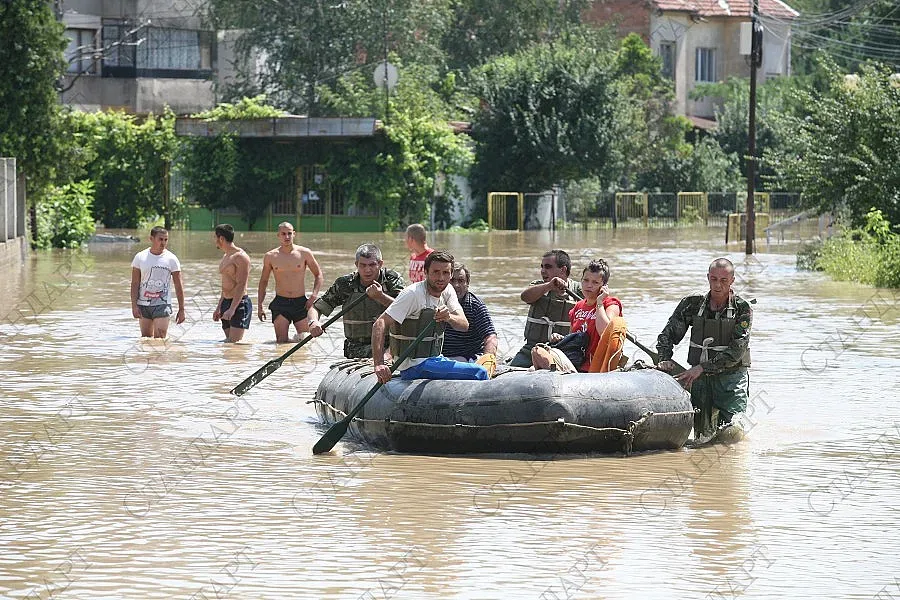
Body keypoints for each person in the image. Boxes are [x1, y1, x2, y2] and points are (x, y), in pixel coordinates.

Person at [656, 257, 753, 438]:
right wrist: (664, 358)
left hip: (731, 379)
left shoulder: (742, 309)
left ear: (732, 280)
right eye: (714, 279)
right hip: (699, 381)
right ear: (708, 277)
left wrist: (701, 368)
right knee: (702, 437)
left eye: (724, 280)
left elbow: (736, 351)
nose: (718, 285)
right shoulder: (692, 304)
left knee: (733, 432)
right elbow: (667, 335)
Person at [372, 251, 489, 383]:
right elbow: (380, 323)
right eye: (436, 272)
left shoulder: (448, 291)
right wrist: (379, 363)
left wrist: (448, 317)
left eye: (445, 273)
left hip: (435, 360)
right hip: (413, 365)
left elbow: (464, 325)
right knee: (480, 372)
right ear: (426, 272)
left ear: (450, 275)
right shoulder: (412, 294)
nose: (441, 278)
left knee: (477, 366)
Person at [307, 243, 405, 359]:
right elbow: (316, 308)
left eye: (372, 265)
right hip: (356, 348)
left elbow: (405, 310)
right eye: (362, 265)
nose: (367, 270)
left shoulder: (392, 280)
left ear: (380, 264)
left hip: (389, 345)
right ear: (356, 264)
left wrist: (380, 296)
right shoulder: (345, 284)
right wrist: (313, 323)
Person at [532, 259, 624, 373]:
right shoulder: (578, 307)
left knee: (538, 352)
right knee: (538, 351)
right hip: (576, 363)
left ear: (604, 286)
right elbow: (574, 337)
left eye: (595, 282)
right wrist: (562, 338)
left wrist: (599, 303)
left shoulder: (611, 304)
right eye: (586, 280)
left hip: (595, 368)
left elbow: (605, 333)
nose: (589, 285)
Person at [509, 249, 583, 367]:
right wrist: (549, 286)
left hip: (565, 350)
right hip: (532, 349)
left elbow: (596, 304)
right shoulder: (538, 286)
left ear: (563, 270)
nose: (543, 271)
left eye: (548, 267)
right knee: (511, 371)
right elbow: (525, 297)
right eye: (542, 267)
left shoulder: (579, 290)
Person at [257, 222, 324, 343]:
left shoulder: (304, 253)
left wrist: (313, 296)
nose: (287, 237)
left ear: (294, 234)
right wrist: (260, 305)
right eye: (283, 234)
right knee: (281, 342)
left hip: (301, 303)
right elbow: (263, 281)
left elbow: (318, 275)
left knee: (305, 341)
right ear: (278, 235)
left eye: (289, 233)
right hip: (280, 302)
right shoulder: (270, 256)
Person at [442, 263, 499, 373]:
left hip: (467, 358)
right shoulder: (436, 301)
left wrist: (487, 361)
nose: (456, 285)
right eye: (452, 280)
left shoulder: (475, 306)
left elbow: (490, 337)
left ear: (467, 284)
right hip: (441, 358)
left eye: (461, 281)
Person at [130, 226, 185, 338]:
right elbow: (135, 283)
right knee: (146, 339)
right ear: (151, 238)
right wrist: (134, 306)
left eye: (166, 240)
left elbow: (178, 285)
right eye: (160, 239)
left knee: (159, 340)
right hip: (143, 304)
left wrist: (182, 309)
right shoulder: (140, 257)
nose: (163, 243)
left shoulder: (171, 259)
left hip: (162, 304)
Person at [212, 224, 252, 343]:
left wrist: (232, 309)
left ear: (221, 239)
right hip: (226, 302)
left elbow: (241, 284)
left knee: (235, 344)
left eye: (215, 237)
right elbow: (225, 284)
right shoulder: (226, 256)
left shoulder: (241, 257)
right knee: (228, 344)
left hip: (239, 304)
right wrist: (219, 307)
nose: (215, 241)